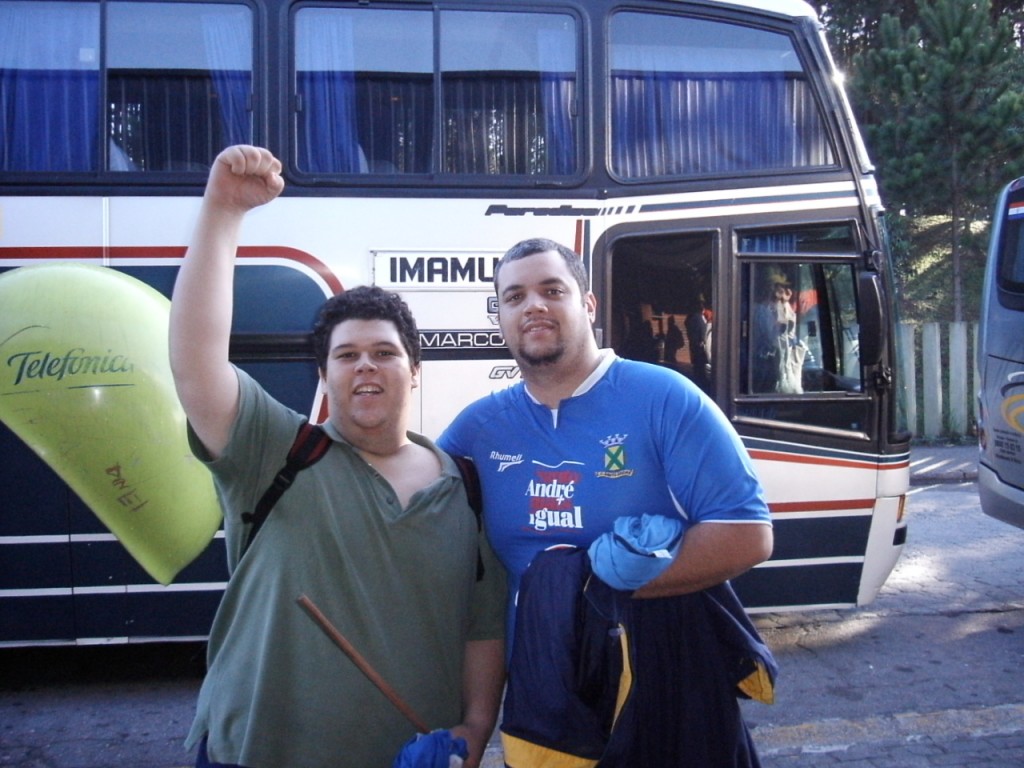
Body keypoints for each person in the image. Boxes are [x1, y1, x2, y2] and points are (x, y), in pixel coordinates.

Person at [169, 145, 506, 768]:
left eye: (384, 352)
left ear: (416, 371)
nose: (366, 366)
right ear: (325, 376)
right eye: (346, 356)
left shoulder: (467, 487)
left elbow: (482, 628)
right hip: (253, 755)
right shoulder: (276, 452)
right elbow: (195, 366)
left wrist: (477, 728)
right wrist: (221, 212)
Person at [438, 237, 775, 766]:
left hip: (666, 676)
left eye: (553, 290)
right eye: (514, 297)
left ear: (588, 305)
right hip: (546, 687)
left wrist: (597, 591)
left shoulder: (666, 397)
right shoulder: (478, 428)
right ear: (500, 316)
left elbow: (747, 535)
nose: (534, 306)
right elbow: (405, 499)